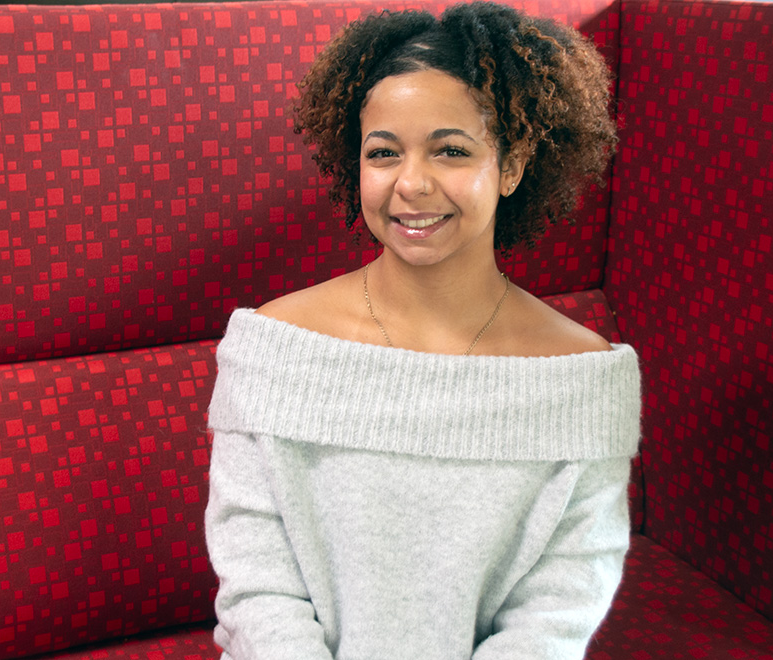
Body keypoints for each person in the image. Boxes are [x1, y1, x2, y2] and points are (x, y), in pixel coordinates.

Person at [204, 3, 641, 658]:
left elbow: (562, 601)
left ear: (513, 163)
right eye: (384, 153)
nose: (411, 183)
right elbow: (256, 584)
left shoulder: (585, 375)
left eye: (451, 150)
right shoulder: (269, 346)